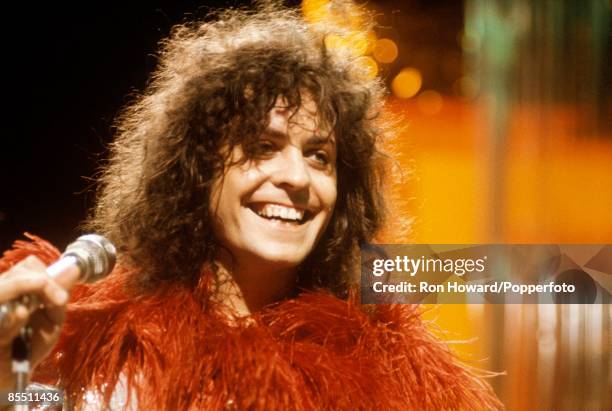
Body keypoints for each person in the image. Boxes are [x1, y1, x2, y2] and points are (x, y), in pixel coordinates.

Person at [0, 4, 503, 410]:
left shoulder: (392, 377)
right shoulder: (95, 337)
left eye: (320, 157)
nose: (296, 177)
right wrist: (6, 375)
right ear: (196, 169)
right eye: (262, 146)